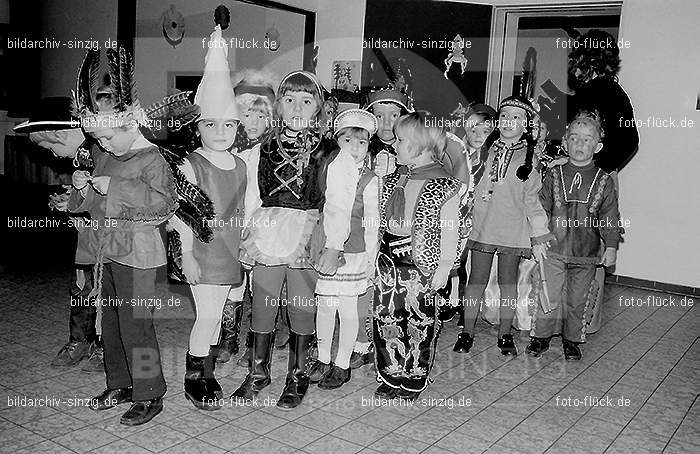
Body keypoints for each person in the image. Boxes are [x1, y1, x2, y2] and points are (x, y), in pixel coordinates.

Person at [69, 47, 178, 426]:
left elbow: (165, 205)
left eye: (109, 138)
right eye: (97, 140)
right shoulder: (103, 155)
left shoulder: (153, 160)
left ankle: (150, 392)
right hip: (108, 253)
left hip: (141, 257)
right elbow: (87, 206)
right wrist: (82, 189)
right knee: (110, 323)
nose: (103, 146)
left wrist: (113, 187)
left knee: (138, 325)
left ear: (131, 126)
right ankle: (120, 381)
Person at [232, 70, 336, 409]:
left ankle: (297, 374)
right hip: (266, 232)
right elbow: (251, 195)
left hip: (306, 232)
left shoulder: (330, 152)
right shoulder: (261, 148)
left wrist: (333, 244)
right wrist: (245, 235)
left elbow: (338, 202)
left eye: (306, 101)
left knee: (301, 307)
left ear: (318, 107)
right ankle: (258, 372)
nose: (297, 107)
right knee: (262, 305)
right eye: (289, 99)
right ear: (278, 105)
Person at [169, 22, 246, 411]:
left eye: (229, 124)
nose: (221, 131)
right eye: (211, 124)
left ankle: (207, 369)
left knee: (218, 316)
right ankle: (195, 377)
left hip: (231, 254)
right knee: (208, 315)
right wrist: (186, 257)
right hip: (203, 252)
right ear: (198, 127)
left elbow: (244, 210)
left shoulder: (241, 164)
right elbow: (181, 214)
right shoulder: (190, 164)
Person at [373, 112, 465, 401]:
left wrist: (445, 267)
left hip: (421, 267)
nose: (394, 144)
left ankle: (414, 375)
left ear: (422, 146)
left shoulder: (444, 186)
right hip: (388, 262)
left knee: (419, 323)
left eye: (401, 140)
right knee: (386, 317)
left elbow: (451, 231)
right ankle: (390, 372)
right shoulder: (395, 179)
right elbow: (379, 217)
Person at [453, 96, 553, 356]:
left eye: (517, 117)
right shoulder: (483, 149)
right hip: (483, 227)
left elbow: (532, 201)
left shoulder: (530, 159)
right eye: (505, 115)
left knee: (509, 284)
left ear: (527, 124)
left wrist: (539, 236)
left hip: (513, 230)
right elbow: (465, 181)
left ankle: (505, 333)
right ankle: (467, 331)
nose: (509, 121)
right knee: (476, 281)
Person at [14, 98, 104, 372]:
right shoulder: (81, 157)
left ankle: (103, 346)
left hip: (108, 240)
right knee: (80, 288)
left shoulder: (102, 151)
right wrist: (71, 200)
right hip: (87, 240)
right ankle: (80, 340)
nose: (52, 155)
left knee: (106, 293)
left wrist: (82, 201)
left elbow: (112, 192)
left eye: (50, 147)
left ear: (62, 133)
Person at [527, 110, 621, 360]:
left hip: (587, 253)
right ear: (565, 142)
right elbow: (540, 208)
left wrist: (611, 246)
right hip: (553, 249)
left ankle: (572, 340)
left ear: (598, 146)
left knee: (578, 298)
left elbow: (610, 216)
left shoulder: (604, 181)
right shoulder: (553, 175)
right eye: (574, 137)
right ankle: (541, 337)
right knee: (548, 294)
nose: (580, 143)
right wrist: (537, 239)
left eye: (587, 138)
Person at [308, 109, 379, 389]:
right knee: (325, 305)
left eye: (362, 142)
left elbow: (372, 223)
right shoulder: (328, 170)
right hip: (327, 249)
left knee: (348, 309)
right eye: (348, 140)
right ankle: (323, 358)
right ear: (338, 141)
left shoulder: (370, 179)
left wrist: (370, 260)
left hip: (355, 253)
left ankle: (342, 363)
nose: (355, 148)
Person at [215, 68, 278, 366]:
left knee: (260, 285)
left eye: (260, 116)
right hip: (230, 228)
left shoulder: (271, 151)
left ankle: (258, 340)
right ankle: (228, 339)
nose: (253, 123)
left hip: (261, 228)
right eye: (247, 115)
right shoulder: (228, 149)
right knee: (232, 283)